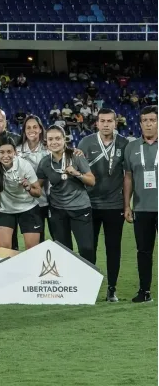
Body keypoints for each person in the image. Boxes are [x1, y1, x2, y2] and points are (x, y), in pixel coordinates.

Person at [78, 108, 129, 301]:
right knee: (88, 248)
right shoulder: (86, 142)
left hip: (114, 205)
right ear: (97, 123)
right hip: (89, 204)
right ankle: (88, 288)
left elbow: (128, 177)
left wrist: (126, 206)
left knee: (113, 248)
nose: (106, 124)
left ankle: (112, 289)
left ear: (116, 123)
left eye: (110, 121)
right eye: (102, 121)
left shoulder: (124, 144)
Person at [37, 125, 96, 264]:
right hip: (58, 210)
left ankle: (89, 280)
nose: (54, 142)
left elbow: (91, 181)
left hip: (80, 208)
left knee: (86, 248)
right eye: (50, 139)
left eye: (58, 138)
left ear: (65, 139)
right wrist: (27, 185)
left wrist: (76, 173)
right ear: (46, 141)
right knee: (63, 250)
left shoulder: (76, 156)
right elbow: (37, 185)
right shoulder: (45, 162)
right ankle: (69, 282)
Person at [123, 105, 158, 303]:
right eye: (145, 120)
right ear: (140, 123)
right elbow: (128, 177)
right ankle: (144, 291)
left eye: (152, 120)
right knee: (144, 251)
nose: (149, 124)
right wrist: (127, 205)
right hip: (142, 208)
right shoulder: (132, 147)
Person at [0, 135, 43, 250]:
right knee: (4, 249)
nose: (6, 156)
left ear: (15, 152)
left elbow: (38, 192)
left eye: (9, 151)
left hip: (28, 207)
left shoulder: (24, 165)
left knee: (32, 249)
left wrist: (29, 188)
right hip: (5, 209)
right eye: (2, 152)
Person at [17, 115, 50, 241]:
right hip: (30, 203)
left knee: (58, 240)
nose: (32, 130)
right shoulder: (17, 150)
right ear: (24, 130)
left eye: (35, 127)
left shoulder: (49, 148)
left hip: (51, 201)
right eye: (28, 127)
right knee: (38, 243)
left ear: (41, 129)